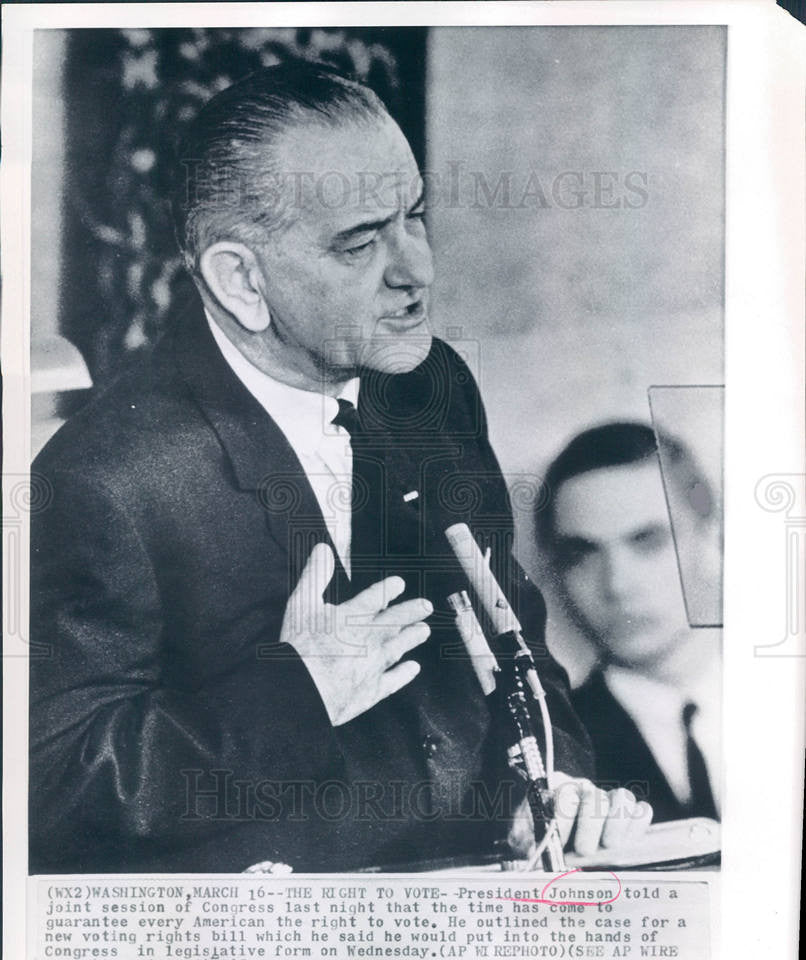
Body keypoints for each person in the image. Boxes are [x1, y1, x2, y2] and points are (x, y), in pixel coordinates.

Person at [29, 63, 649, 874]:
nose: (417, 271)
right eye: (360, 243)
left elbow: (512, 632)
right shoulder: (105, 478)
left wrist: (552, 787)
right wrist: (294, 695)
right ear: (241, 281)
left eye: (414, 217)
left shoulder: (430, 387)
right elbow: (49, 792)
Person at [537, 422, 721, 823]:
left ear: (711, 539)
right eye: (582, 554)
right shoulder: (553, 750)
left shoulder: (788, 700)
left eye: (647, 541)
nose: (617, 585)